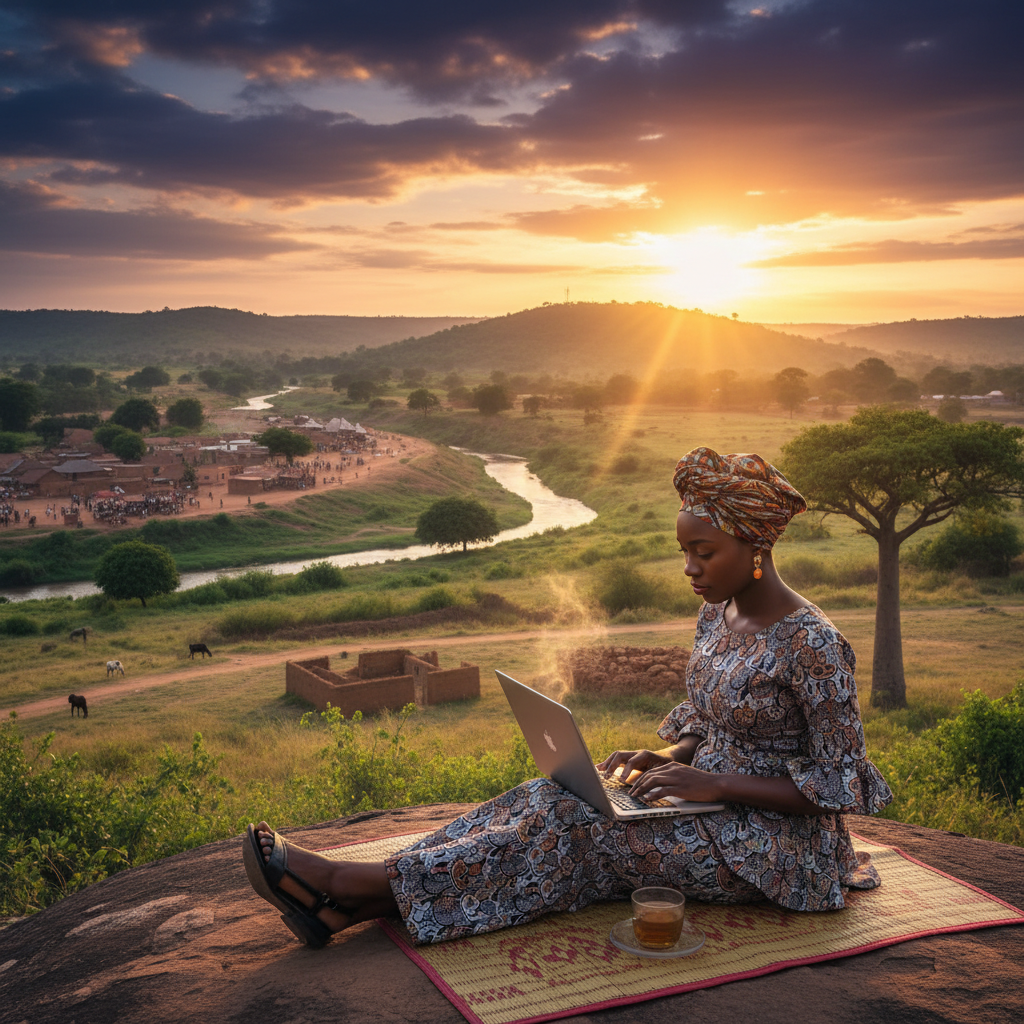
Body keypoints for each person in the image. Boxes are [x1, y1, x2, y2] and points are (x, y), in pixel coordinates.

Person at [243, 446, 892, 949]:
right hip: (699, 799)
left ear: (757, 546)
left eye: (703, 552)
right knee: (552, 795)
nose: (688, 568)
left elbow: (843, 785)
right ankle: (376, 885)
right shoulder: (717, 613)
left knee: (582, 833)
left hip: (773, 849)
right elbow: (706, 719)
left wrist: (715, 784)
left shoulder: (813, 644)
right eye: (683, 551)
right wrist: (665, 753)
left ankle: (346, 889)